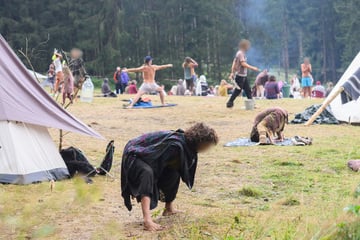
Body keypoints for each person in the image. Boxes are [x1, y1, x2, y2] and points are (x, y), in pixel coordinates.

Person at [121, 122, 218, 231]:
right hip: (135, 152)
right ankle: (147, 220)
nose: (208, 148)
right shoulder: (175, 146)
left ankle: (169, 208)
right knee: (147, 174)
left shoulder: (185, 146)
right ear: (201, 141)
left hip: (146, 154)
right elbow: (154, 163)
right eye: (208, 145)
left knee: (174, 170)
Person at [227, 39, 260, 108]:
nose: (249, 47)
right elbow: (243, 64)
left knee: (248, 90)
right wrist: (253, 68)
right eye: (248, 46)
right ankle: (229, 103)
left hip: (243, 75)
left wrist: (232, 72)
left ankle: (252, 104)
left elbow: (234, 62)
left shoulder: (239, 53)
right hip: (240, 76)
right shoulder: (240, 53)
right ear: (245, 46)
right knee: (238, 90)